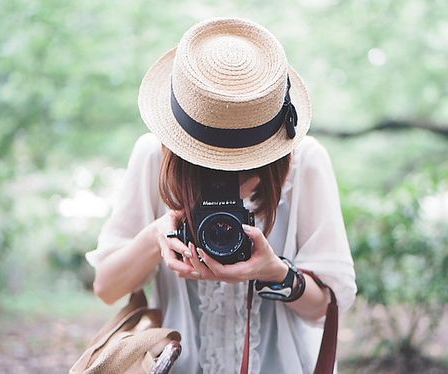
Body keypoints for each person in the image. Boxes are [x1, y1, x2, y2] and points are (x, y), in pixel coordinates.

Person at [85, 17, 357, 374]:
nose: (227, 169)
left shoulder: (305, 162)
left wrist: (274, 272)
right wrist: (158, 237)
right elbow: (106, 287)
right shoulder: (155, 157)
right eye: (210, 153)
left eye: (243, 156)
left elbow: (328, 307)